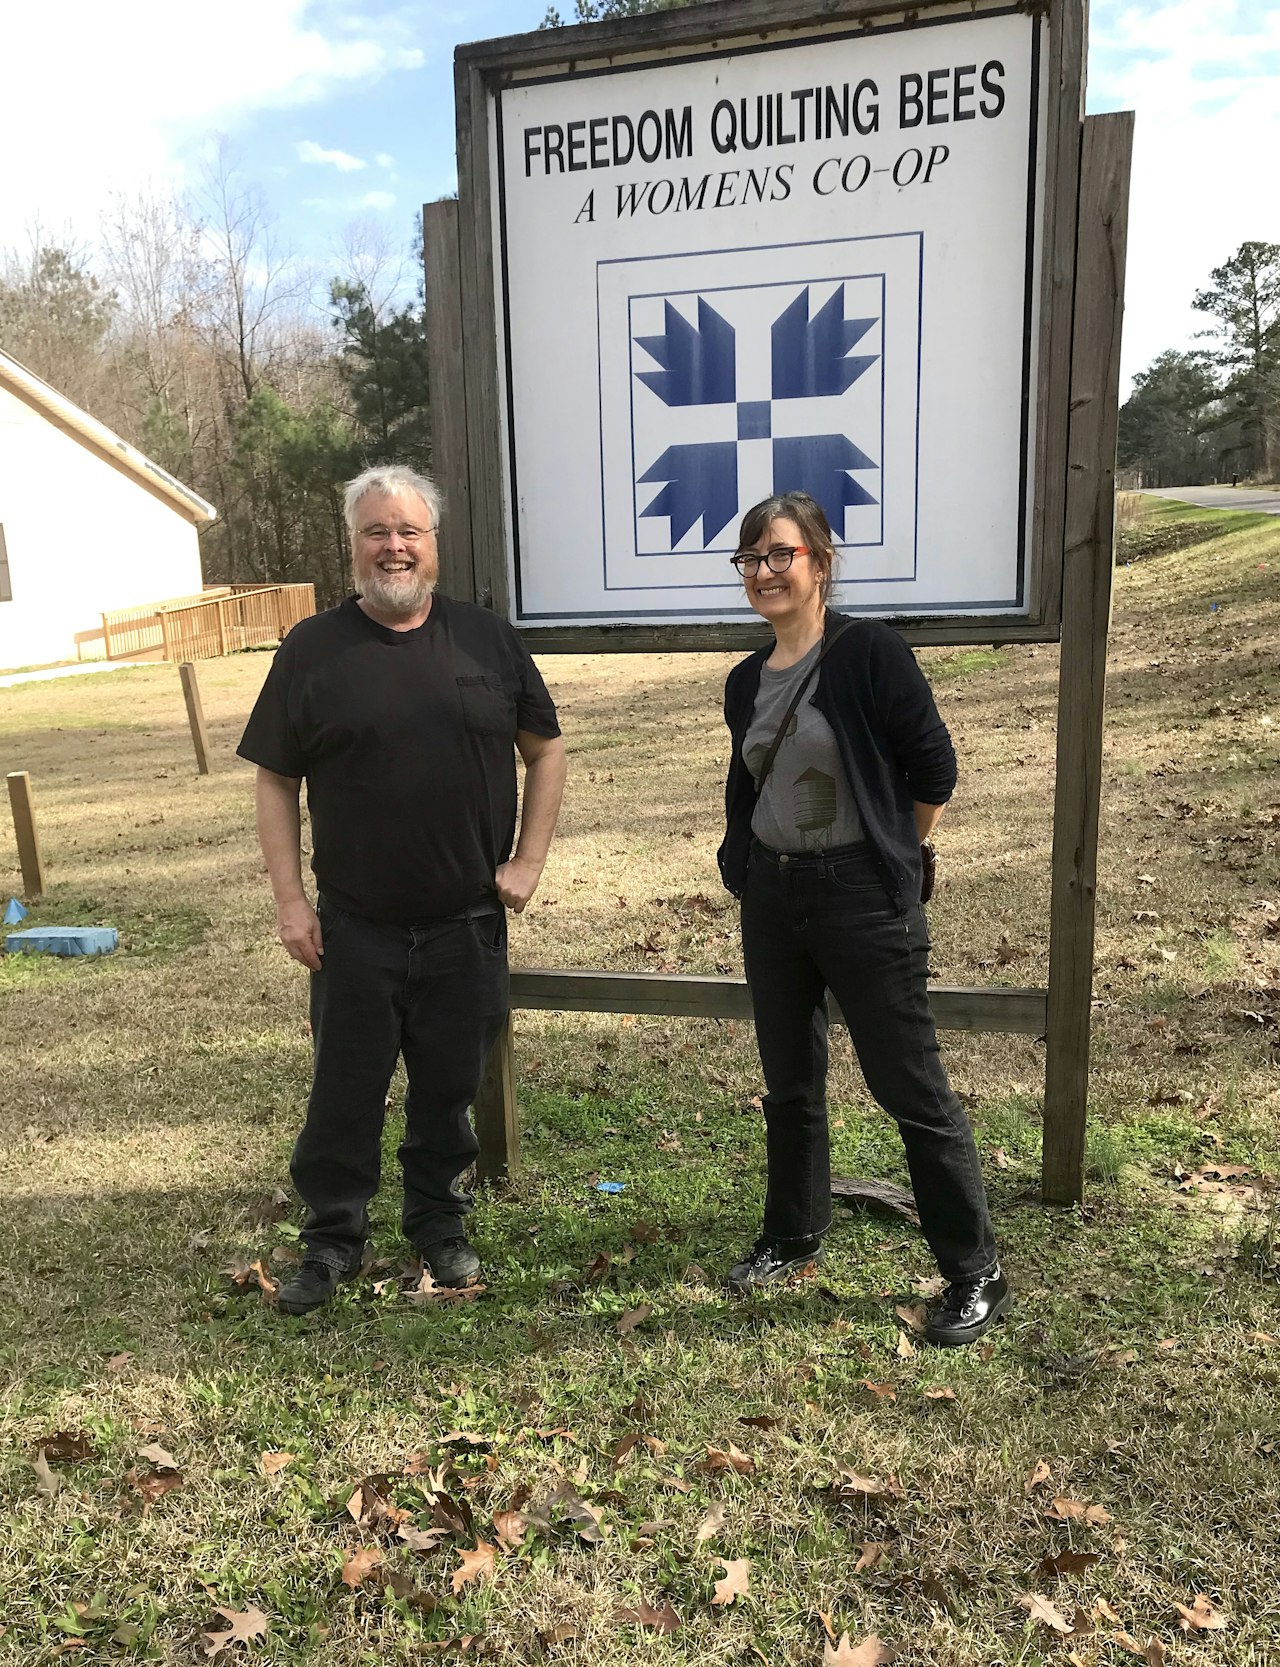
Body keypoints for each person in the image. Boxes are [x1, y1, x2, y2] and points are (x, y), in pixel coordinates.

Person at [237, 464, 566, 1315]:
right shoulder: (313, 649)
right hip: (355, 926)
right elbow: (275, 779)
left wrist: (527, 861)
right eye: (377, 531)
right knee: (344, 1091)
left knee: (448, 1090)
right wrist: (290, 903)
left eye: (408, 531)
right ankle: (331, 1238)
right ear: (353, 544)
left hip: (466, 922)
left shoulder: (487, 641)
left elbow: (546, 750)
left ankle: (437, 1223)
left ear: (434, 542)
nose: (394, 546)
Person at [716, 491, 1009, 1346]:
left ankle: (975, 1269)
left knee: (908, 1085)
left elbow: (934, 770)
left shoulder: (870, 652)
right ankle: (793, 1232)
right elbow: (749, 781)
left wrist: (890, 852)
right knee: (789, 1078)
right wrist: (745, 863)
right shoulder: (745, 680)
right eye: (751, 559)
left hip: (861, 896)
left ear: (820, 560)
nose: (765, 572)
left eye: (781, 554)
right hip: (774, 899)